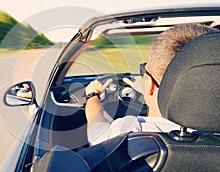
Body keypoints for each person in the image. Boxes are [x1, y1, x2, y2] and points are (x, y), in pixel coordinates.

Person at [85, 24, 218, 145]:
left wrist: (93, 95)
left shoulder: (126, 131)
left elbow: (95, 124)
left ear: (150, 85)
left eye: (145, 72)